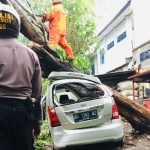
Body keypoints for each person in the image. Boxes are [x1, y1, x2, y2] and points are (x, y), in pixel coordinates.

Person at [0, 4, 42, 150]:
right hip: (23, 113)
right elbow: (37, 94)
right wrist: (37, 122)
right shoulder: (31, 54)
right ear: (16, 26)